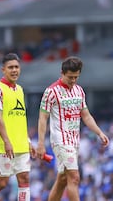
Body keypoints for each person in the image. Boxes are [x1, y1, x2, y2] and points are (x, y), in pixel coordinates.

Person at [36, 56, 110, 201]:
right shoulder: (51, 92)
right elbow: (42, 118)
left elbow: (86, 116)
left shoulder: (79, 91)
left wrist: (99, 132)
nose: (73, 80)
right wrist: (40, 143)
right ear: (62, 73)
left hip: (74, 140)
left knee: (63, 179)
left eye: (76, 77)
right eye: (70, 77)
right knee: (74, 177)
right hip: (60, 140)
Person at [0, 53, 34, 201]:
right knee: (2, 182)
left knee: (24, 178)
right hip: (3, 144)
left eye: (16, 67)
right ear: (3, 69)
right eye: (10, 67)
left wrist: (27, 140)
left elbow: (20, 118)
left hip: (21, 143)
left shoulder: (20, 89)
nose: (14, 70)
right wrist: (7, 141)